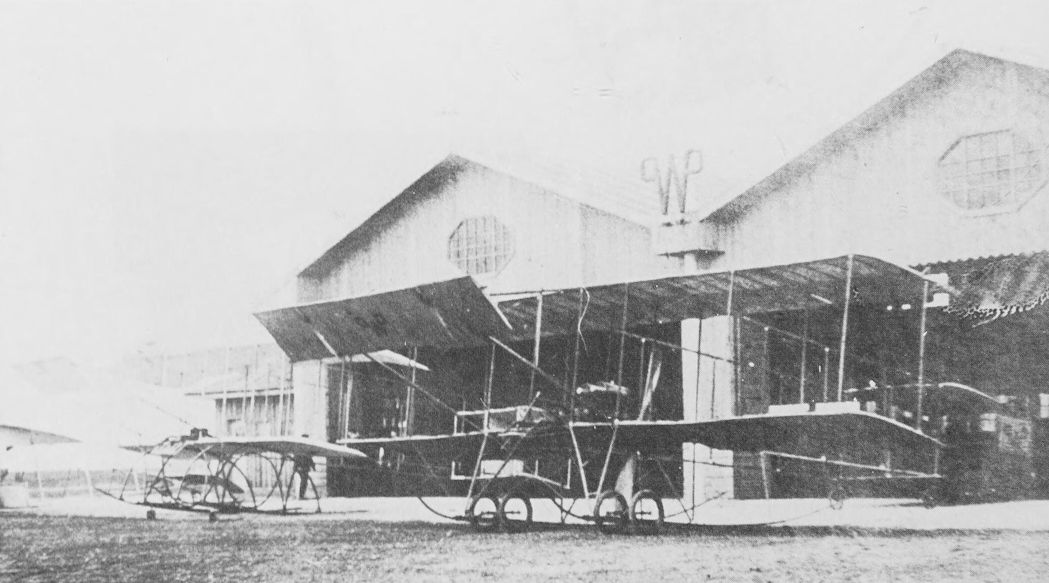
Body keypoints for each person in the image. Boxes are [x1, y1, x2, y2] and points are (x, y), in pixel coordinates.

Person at [292, 436, 316, 500]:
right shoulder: (299, 449)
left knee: (304, 482)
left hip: (305, 468)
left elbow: (310, 459)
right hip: (300, 468)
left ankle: (301, 495)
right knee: (302, 482)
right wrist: (297, 467)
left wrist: (313, 466)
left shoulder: (306, 449)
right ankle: (300, 496)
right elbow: (296, 459)